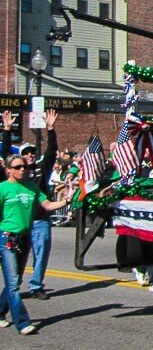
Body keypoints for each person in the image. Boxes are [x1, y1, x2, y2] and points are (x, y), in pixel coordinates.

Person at [0, 153, 69, 334]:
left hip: (25, 236)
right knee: (14, 282)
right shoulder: (3, 189)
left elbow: (47, 205)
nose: (22, 169)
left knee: (14, 279)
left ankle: (0, 311)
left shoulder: (32, 188)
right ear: (8, 170)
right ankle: (22, 322)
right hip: (7, 237)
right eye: (17, 167)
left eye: (24, 166)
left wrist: (66, 200)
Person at [2, 109, 59, 300]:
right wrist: (7, 130)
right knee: (17, 262)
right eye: (26, 154)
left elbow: (51, 153)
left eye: (33, 153)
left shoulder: (41, 171)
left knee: (41, 254)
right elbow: (6, 155)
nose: (30, 156)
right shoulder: (15, 176)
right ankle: (14, 287)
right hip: (20, 223)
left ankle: (36, 285)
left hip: (40, 220)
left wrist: (51, 129)